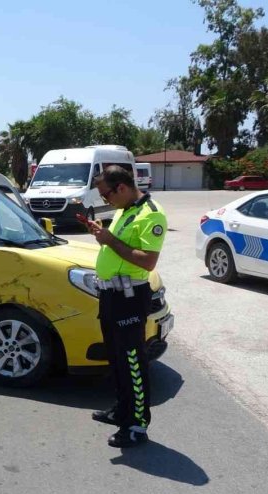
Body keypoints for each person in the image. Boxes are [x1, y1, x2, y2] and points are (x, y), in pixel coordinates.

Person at [86, 163, 167, 448]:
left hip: (130, 298)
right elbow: (117, 247)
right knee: (117, 358)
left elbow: (147, 260)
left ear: (121, 187)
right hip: (111, 295)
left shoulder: (151, 214)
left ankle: (137, 425)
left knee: (133, 361)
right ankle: (122, 410)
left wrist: (111, 240)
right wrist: (103, 238)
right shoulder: (123, 210)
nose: (106, 201)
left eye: (106, 195)